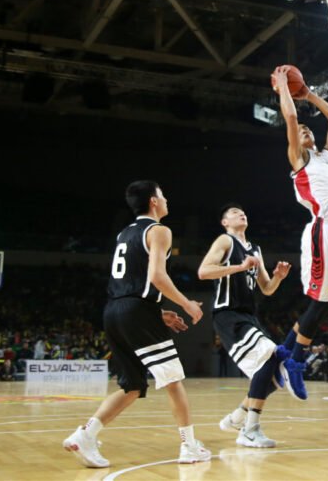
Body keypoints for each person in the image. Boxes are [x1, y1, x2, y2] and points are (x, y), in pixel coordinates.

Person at [63, 181, 210, 468]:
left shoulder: (124, 233)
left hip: (114, 310)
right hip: (135, 311)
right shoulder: (159, 231)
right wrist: (186, 303)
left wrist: (157, 313)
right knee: (172, 379)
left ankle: (86, 435)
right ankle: (189, 446)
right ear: (154, 201)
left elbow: (133, 282)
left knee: (132, 385)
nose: (167, 200)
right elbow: (156, 276)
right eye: (163, 195)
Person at [272, 66, 328, 401]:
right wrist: (284, 93)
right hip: (322, 231)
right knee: (318, 301)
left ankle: (283, 353)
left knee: (327, 304)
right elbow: (291, 121)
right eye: (300, 130)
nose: (304, 130)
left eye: (308, 128)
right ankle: (296, 363)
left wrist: (308, 95)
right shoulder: (299, 161)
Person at [197, 203, 292, 448]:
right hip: (228, 314)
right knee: (273, 354)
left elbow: (267, 289)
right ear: (225, 222)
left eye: (243, 212)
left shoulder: (255, 250)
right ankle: (250, 429)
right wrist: (239, 267)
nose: (241, 213)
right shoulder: (225, 241)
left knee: (275, 374)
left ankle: (237, 417)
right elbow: (204, 271)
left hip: (249, 316)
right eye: (233, 212)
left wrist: (278, 278)